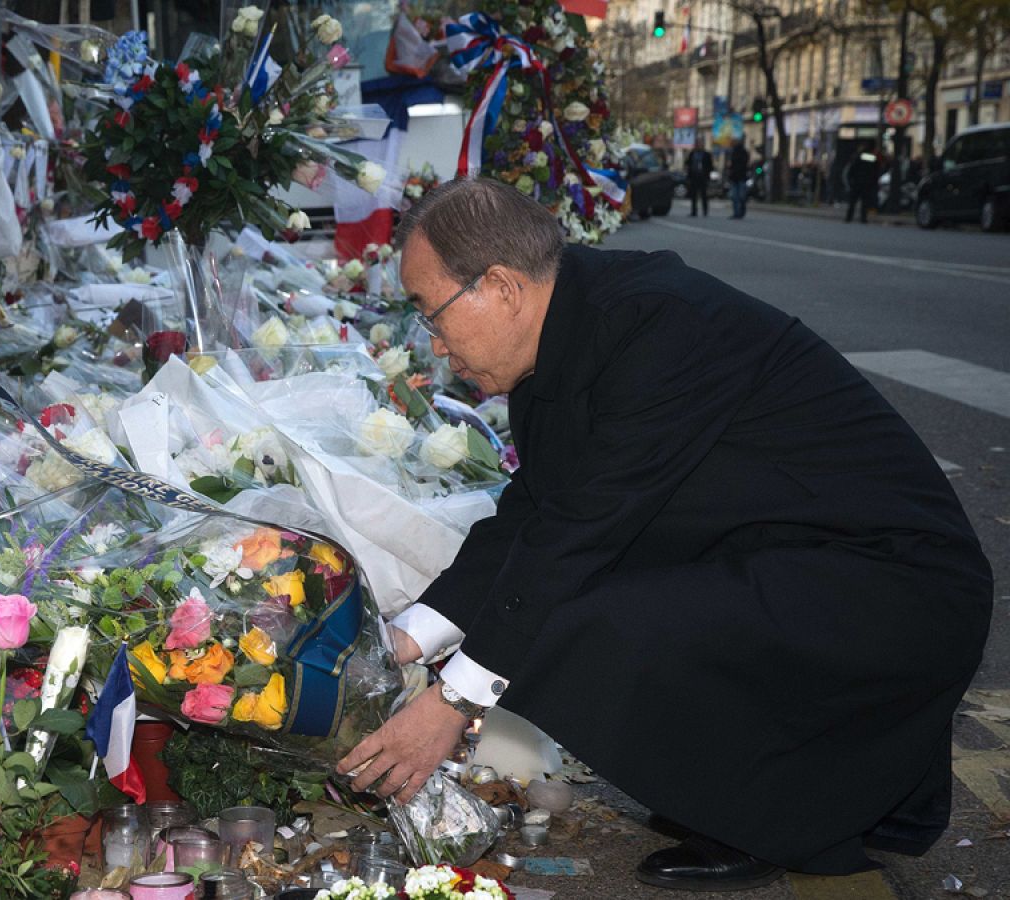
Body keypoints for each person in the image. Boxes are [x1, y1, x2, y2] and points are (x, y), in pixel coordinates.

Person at [337, 178, 990, 892]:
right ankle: (751, 797)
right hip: (795, 558)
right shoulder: (563, 339)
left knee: (585, 625)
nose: (434, 346)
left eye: (434, 317)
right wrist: (400, 639)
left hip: (893, 585)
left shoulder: (660, 326)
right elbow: (533, 515)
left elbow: (581, 533)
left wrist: (451, 705)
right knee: (567, 610)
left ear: (500, 287)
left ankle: (785, 822)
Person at [845, 143, 879, 223]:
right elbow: (876, 170)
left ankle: (849, 217)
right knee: (865, 202)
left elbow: (852, 169)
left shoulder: (858, 156)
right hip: (867, 183)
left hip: (857, 182)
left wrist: (851, 180)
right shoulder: (872, 157)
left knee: (852, 201)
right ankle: (863, 218)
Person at [685, 139, 714, 217]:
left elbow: (710, 166)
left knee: (704, 195)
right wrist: (689, 175)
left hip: (703, 176)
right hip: (694, 176)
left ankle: (705, 211)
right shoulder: (692, 154)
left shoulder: (706, 154)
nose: (699, 146)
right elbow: (688, 164)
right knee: (694, 195)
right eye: (697, 144)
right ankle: (694, 211)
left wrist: (707, 173)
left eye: (700, 144)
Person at [727, 142, 751, 218]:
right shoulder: (734, 153)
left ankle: (739, 212)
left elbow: (745, 165)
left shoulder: (743, 153)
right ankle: (737, 212)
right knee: (736, 196)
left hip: (741, 177)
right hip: (736, 178)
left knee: (740, 196)